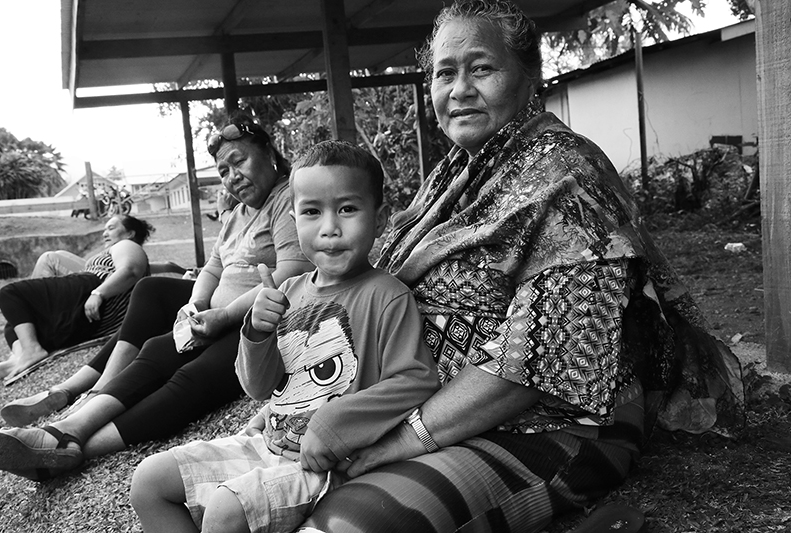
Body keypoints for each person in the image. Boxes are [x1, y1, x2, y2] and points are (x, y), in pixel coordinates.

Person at [286, 2, 744, 532]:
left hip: (554, 430)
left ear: (529, 77)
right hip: (426, 409)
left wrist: (399, 440)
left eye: (481, 68)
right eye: (443, 73)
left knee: (348, 524)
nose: (457, 89)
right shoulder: (457, 174)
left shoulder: (567, 179)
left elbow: (542, 365)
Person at [130, 140, 441, 533]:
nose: (329, 228)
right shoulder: (289, 291)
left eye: (347, 209)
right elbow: (259, 387)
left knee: (225, 513)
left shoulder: (386, 295)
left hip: (320, 465)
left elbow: (416, 379)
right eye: (312, 212)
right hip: (266, 442)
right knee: (149, 481)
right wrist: (257, 332)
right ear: (294, 221)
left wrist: (332, 422)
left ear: (378, 220)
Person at [0, 115, 313, 480]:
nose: (232, 176)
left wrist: (224, 317)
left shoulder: (287, 198)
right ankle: (68, 428)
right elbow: (211, 268)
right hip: (219, 315)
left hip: (262, 320)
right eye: (223, 171)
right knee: (158, 346)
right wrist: (195, 305)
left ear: (269, 153)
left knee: (193, 375)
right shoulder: (237, 215)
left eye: (239, 161)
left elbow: (291, 271)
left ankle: (70, 447)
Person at [0, 215, 154, 382]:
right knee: (13, 325)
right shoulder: (125, 253)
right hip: (90, 322)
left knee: (9, 294)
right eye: (105, 229)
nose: (105, 233)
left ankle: (30, 350)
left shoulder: (126, 245)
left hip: (91, 289)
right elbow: (141, 268)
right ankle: (21, 356)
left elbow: (131, 269)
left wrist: (98, 293)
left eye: (111, 228)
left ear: (130, 234)